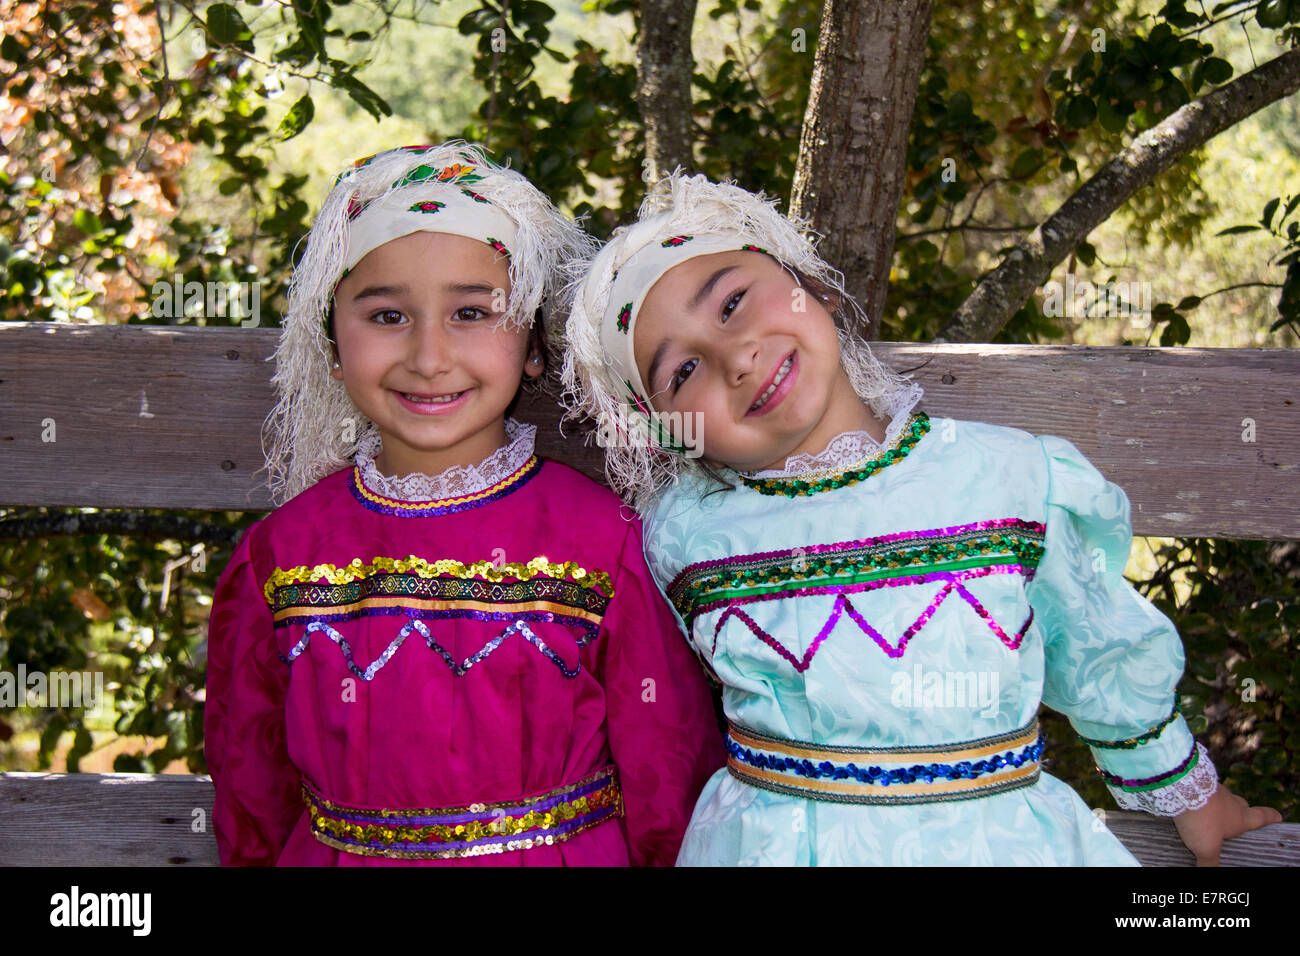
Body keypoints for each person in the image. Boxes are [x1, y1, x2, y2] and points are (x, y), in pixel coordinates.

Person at [558, 170, 1282, 866]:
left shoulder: (1010, 480)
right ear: (666, 431)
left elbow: (1095, 647)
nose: (734, 357)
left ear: (813, 287)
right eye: (681, 373)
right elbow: (654, 704)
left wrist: (1188, 792)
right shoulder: (679, 535)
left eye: (734, 302)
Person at [204, 143, 724, 866]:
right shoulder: (283, 557)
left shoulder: (601, 543)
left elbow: (667, 772)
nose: (428, 355)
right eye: (387, 316)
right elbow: (249, 787)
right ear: (330, 343)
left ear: (535, 345)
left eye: (472, 313)